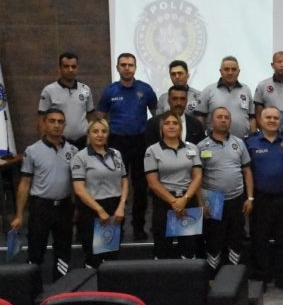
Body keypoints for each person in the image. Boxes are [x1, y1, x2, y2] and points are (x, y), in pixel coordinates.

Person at [11, 109, 80, 280]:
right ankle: (32, 286)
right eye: (52, 121)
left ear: (64, 124)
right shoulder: (32, 150)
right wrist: (19, 215)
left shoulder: (73, 150)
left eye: (60, 121)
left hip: (64, 206)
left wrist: (77, 207)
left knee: (63, 250)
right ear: (44, 123)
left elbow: (77, 183)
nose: (56, 125)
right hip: (41, 206)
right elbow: (25, 183)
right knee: (36, 249)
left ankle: (61, 285)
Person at [97, 53, 157, 241]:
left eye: (130, 65)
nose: (127, 68)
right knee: (116, 186)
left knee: (141, 187)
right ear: (117, 68)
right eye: (123, 65)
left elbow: (156, 117)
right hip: (117, 143)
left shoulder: (145, 90)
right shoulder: (110, 91)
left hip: (140, 142)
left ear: (135, 67)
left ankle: (138, 227)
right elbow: (100, 119)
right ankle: (118, 227)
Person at [196, 107, 253, 273]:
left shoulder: (239, 143)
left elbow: (247, 171)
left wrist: (250, 198)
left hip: (237, 198)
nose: (223, 120)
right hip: (213, 199)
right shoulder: (201, 146)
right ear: (211, 121)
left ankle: (234, 275)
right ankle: (213, 276)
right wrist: (201, 203)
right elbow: (197, 178)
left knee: (236, 236)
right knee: (214, 238)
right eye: (219, 117)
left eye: (226, 117)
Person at [245, 107, 283, 291]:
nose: (272, 121)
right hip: (260, 199)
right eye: (268, 117)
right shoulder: (250, 142)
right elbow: (246, 172)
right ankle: (262, 278)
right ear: (260, 120)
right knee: (260, 241)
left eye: (275, 118)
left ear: (280, 121)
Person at [144, 111, 203, 259]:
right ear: (161, 128)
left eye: (175, 123)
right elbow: (152, 182)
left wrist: (185, 199)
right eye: (167, 123)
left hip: (188, 200)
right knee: (163, 248)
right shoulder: (152, 150)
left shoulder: (192, 148)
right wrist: (174, 202)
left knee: (189, 248)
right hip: (164, 202)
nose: (171, 126)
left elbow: (197, 177)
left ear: (180, 127)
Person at [71, 118, 128, 268]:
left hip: (115, 208)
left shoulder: (116, 154)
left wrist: (122, 206)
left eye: (104, 131)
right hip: (92, 209)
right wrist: (99, 210)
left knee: (112, 253)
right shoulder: (80, 157)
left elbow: (124, 181)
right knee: (94, 256)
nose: (100, 135)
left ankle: (109, 282)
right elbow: (79, 189)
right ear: (88, 134)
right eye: (95, 131)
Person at [38, 52, 95, 149]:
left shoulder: (85, 89)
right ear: (60, 68)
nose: (70, 70)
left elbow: (91, 116)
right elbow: (42, 120)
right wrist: (45, 145)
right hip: (59, 142)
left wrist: (91, 138)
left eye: (73, 66)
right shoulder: (49, 90)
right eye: (66, 66)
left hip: (83, 142)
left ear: (77, 68)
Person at [197, 56, 256, 139]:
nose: (230, 72)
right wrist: (201, 136)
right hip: (215, 142)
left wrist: (253, 138)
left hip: (243, 141)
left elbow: (252, 118)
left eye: (233, 69)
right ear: (220, 71)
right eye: (226, 69)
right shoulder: (209, 90)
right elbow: (200, 117)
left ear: (238, 72)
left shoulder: (246, 90)